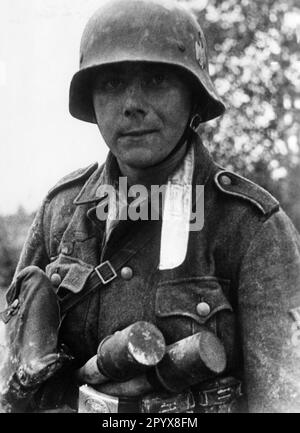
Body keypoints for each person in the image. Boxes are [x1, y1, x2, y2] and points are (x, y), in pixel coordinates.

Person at [1, 0, 300, 413]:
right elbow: (15, 387)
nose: (131, 104)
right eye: (110, 83)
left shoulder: (250, 227)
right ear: (91, 100)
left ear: (194, 99)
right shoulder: (62, 211)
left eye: (157, 79)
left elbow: (283, 400)